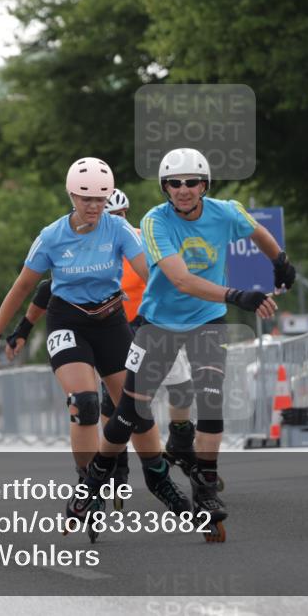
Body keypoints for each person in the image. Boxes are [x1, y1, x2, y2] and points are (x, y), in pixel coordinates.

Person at [69, 148, 295, 542]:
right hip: (158, 323)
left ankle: (205, 489)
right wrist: (238, 294)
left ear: (204, 184)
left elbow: (255, 229)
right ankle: (94, 480)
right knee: (128, 415)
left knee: (211, 400)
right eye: (175, 183)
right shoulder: (156, 221)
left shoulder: (225, 212)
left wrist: (280, 260)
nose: (184, 190)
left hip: (207, 322)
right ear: (165, 187)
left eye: (192, 182)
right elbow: (182, 281)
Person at [0, 157, 191, 517]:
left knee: (134, 408)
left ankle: (157, 477)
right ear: (71, 196)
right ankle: (87, 482)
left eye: (100, 198)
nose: (93, 206)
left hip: (111, 322)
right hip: (68, 323)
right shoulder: (52, 236)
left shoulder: (119, 230)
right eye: (85, 198)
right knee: (86, 403)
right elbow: (25, 287)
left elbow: (149, 274)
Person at [101, 189, 201, 485]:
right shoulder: (94, 249)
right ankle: (114, 459)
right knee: (117, 397)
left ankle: (181, 441)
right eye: (111, 216)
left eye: (121, 214)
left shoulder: (139, 239)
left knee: (182, 386)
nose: (118, 221)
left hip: (152, 322)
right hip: (116, 327)